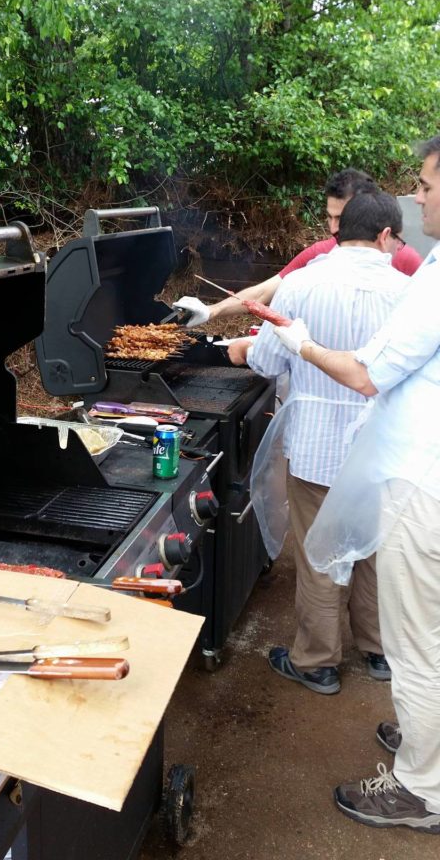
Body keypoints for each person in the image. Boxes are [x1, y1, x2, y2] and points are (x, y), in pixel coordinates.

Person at [271, 136, 440, 832]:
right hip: (393, 465)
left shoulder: (315, 283)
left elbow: (370, 371)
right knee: (393, 602)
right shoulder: (410, 277)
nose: (422, 195)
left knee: (412, 637)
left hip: (407, 475)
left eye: (429, 183)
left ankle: (421, 787)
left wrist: (295, 344)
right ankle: (413, 722)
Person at [228, 191, 408, 695]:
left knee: (319, 552)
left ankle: (318, 662)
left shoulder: (302, 285)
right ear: (384, 235)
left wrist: (243, 350)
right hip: (382, 447)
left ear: (339, 230)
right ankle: (377, 652)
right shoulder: (406, 291)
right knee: (373, 550)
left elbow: (266, 361)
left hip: (315, 445)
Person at [173, 169, 422, 325]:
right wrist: (210, 311)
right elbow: (263, 293)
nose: (334, 227)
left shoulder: (406, 261)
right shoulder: (319, 255)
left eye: (342, 217)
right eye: (329, 216)